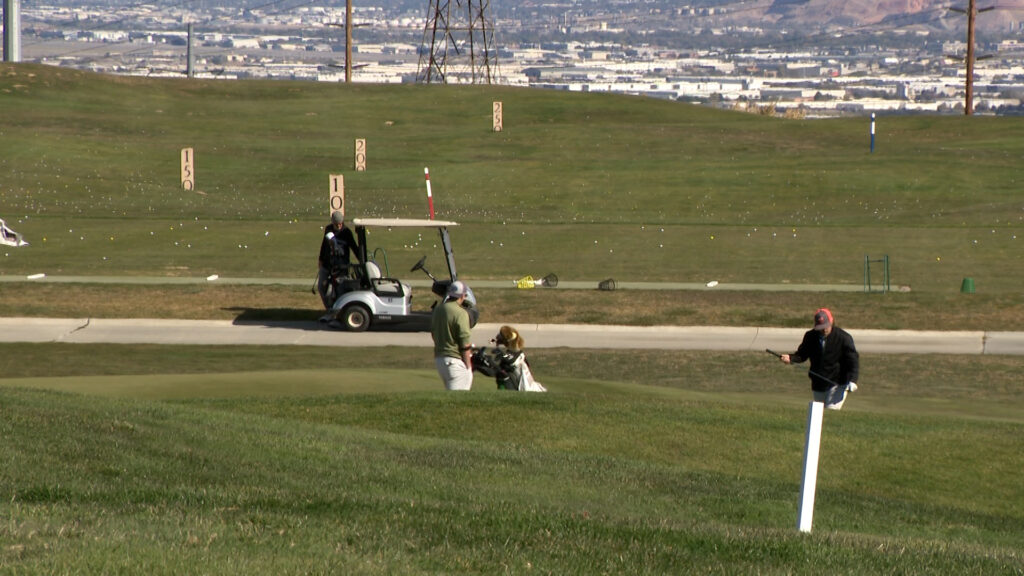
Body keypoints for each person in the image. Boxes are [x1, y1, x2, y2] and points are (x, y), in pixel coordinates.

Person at [779, 308, 859, 410]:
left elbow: (853, 361)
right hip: (818, 384)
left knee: (831, 412)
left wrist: (853, 380)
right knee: (818, 414)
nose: (824, 329)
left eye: (826, 326)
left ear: (831, 321)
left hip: (838, 384)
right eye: (821, 327)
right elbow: (802, 355)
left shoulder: (844, 338)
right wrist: (791, 358)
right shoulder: (810, 336)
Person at [431, 280, 474, 391]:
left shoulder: (438, 310)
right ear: (462, 296)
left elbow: (433, 333)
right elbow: (464, 342)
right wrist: (468, 366)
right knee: (458, 400)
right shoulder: (461, 313)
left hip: (440, 359)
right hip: (454, 362)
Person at [317, 211, 359, 309]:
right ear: (333, 222)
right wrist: (320, 259)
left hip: (341, 267)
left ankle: (338, 310)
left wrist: (362, 260)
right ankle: (329, 309)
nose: (339, 226)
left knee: (339, 290)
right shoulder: (328, 229)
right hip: (327, 264)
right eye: (337, 224)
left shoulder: (346, 232)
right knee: (321, 287)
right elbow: (324, 245)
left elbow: (354, 247)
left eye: (340, 223)